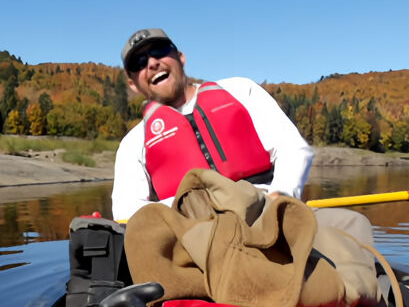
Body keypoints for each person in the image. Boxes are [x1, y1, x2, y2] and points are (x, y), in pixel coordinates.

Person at [112, 28, 314, 222]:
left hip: (266, 214)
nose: (152, 63)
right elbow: (127, 212)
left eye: (159, 51)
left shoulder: (241, 90)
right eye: (139, 63)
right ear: (132, 84)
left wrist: (280, 198)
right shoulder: (133, 144)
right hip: (192, 235)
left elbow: (292, 149)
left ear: (181, 57)